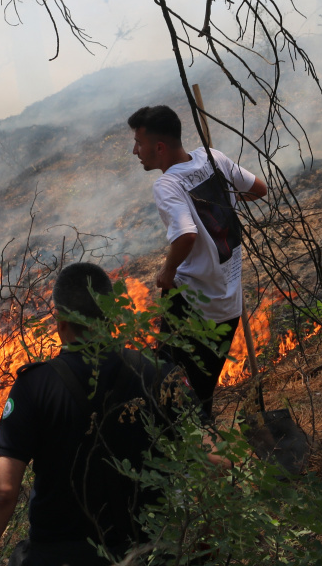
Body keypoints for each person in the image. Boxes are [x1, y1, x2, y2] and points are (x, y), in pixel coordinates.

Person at [0, 263, 189, 566]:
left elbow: (2, 492)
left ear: (61, 322)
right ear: (113, 316)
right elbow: (217, 461)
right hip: (149, 553)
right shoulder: (162, 376)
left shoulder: (35, 386)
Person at [128, 104, 267, 421]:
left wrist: (167, 270)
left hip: (193, 306)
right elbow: (259, 188)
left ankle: (194, 458)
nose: (135, 150)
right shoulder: (212, 157)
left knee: (170, 393)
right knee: (201, 393)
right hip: (229, 302)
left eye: (139, 142)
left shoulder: (167, 185)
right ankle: (206, 452)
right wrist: (226, 200)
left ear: (159, 147)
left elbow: (186, 236)